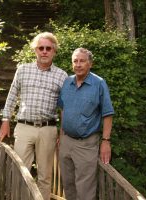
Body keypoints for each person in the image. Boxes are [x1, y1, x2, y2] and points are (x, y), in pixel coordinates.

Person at [0, 32, 68, 200]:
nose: (44, 51)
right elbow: (11, 97)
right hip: (24, 128)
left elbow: (65, 107)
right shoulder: (22, 70)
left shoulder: (62, 76)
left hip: (48, 129)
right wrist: (5, 121)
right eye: (40, 48)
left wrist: (62, 131)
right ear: (35, 50)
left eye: (48, 48)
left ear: (54, 51)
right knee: (20, 172)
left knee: (45, 176)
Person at [58, 47, 115, 200]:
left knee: (85, 191)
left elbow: (107, 113)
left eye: (82, 61)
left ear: (90, 64)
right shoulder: (67, 82)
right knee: (68, 185)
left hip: (86, 144)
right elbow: (63, 109)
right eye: (75, 61)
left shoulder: (99, 84)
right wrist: (61, 134)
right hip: (66, 141)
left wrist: (106, 141)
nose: (78, 64)